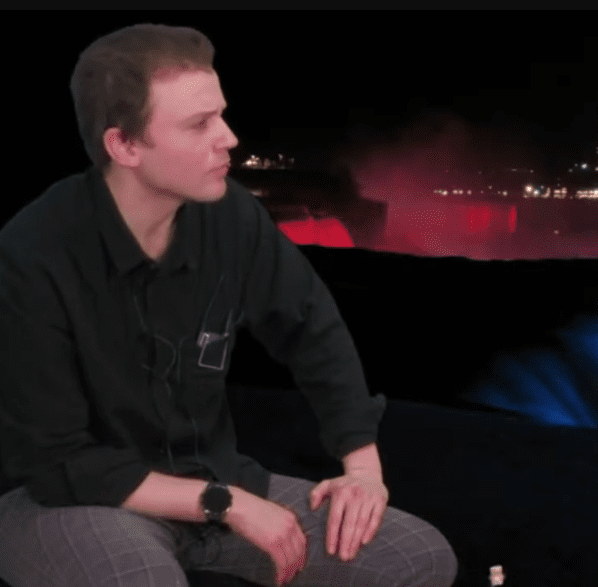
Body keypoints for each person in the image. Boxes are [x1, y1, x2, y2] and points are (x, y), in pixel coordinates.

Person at [0, 23, 456, 587]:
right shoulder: (33, 252)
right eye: (200, 124)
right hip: (80, 502)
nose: (230, 137)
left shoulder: (232, 217)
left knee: (418, 556)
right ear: (124, 146)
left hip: (216, 486)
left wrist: (362, 469)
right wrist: (228, 504)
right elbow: (57, 462)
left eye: (221, 115)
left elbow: (312, 328)